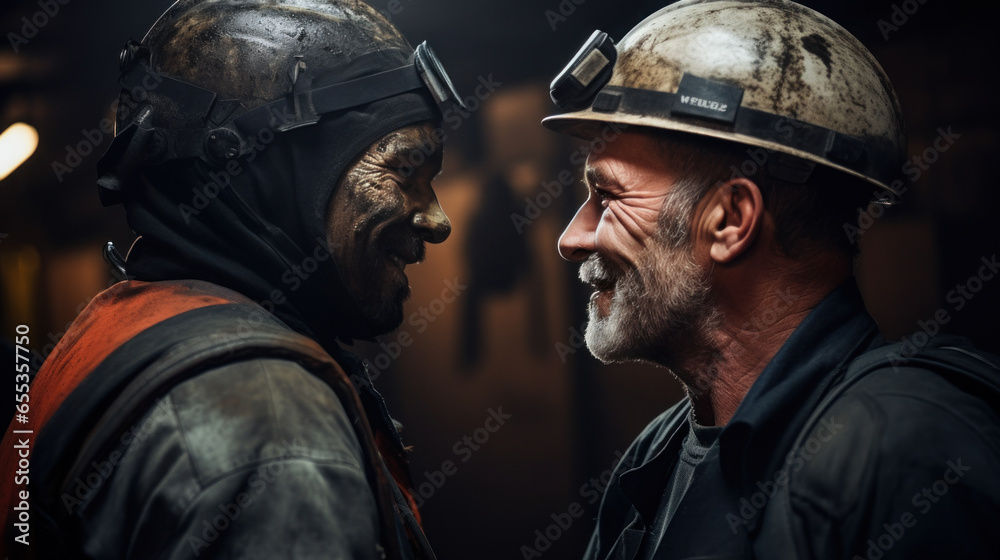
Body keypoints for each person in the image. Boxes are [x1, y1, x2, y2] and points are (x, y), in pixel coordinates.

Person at [0, 0, 462, 558]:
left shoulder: (107, 335)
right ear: (269, 170)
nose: (438, 221)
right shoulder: (271, 423)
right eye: (404, 171)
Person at [543, 0, 1000, 558]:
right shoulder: (654, 458)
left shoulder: (907, 450)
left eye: (609, 196)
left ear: (731, 220)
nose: (571, 238)